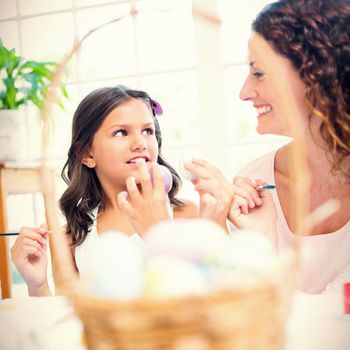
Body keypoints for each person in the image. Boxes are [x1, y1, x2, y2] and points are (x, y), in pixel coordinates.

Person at [185, 0, 350, 294]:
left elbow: (335, 319)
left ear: (318, 74)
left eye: (258, 72)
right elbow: (245, 315)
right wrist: (255, 239)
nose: (244, 92)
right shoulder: (254, 187)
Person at [11, 85, 199, 296]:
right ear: (87, 154)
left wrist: (160, 235)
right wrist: (37, 286)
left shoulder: (188, 215)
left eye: (148, 131)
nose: (140, 143)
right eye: (121, 132)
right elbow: (71, 322)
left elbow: (204, 306)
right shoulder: (72, 239)